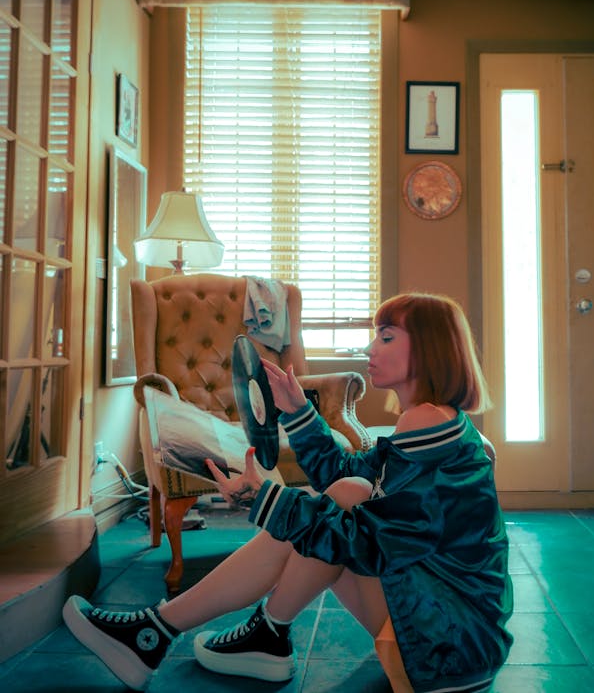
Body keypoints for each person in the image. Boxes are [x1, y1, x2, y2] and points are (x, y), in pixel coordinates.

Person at [63, 292, 514, 692]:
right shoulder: (438, 422)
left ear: (430, 349)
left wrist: (260, 499)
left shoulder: (427, 425)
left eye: (387, 337)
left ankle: (168, 633)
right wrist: (298, 410)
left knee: (343, 504)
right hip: (451, 636)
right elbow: (345, 474)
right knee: (349, 489)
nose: (370, 347)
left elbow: (355, 541)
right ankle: (261, 633)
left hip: (448, 650)